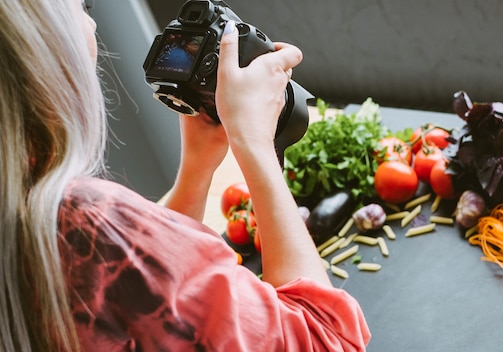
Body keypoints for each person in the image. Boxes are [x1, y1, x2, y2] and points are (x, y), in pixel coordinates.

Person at [0, 0, 371, 350]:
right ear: (39, 40)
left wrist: (197, 167)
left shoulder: (21, 207)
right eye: (81, 6)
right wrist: (253, 142)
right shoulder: (82, 222)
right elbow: (327, 338)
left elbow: (138, 288)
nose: (92, 23)